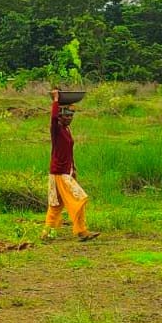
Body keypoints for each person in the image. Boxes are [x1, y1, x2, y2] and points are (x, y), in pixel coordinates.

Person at [46, 88, 98, 241]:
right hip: (59, 172)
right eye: (66, 116)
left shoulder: (66, 129)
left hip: (64, 171)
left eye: (71, 116)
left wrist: (73, 167)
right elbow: (53, 118)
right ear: (60, 117)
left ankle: (47, 233)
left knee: (56, 205)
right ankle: (81, 231)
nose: (69, 118)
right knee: (79, 198)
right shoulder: (56, 129)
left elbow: (68, 150)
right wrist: (56, 100)